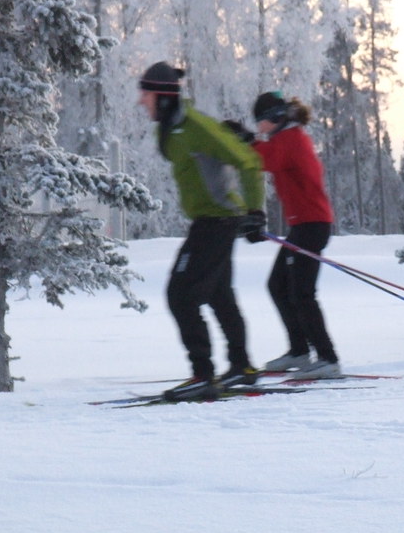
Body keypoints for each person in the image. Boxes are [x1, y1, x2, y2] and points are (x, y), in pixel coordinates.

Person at [137, 61, 267, 400]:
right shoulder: (173, 129)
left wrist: (255, 211)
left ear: (163, 98)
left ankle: (203, 374)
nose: (141, 101)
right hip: (213, 220)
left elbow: (249, 161)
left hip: (216, 222)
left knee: (180, 295)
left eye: (146, 95)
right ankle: (242, 366)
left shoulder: (195, 127)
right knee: (219, 294)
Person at [247, 91, 341, 379]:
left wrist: (243, 142)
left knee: (302, 292)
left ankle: (327, 358)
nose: (259, 128)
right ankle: (299, 351)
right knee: (278, 285)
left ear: (275, 118)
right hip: (303, 225)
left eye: (261, 122)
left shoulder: (291, 139)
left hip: (312, 225)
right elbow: (267, 154)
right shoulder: (286, 137)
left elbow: (264, 160)